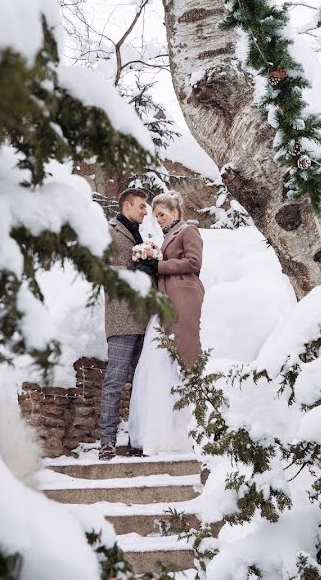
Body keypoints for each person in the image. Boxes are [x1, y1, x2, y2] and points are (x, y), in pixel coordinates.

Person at [127, 191, 204, 456]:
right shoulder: (168, 235)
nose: (158, 219)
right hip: (166, 301)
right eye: (155, 215)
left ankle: (183, 429)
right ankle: (162, 431)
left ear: (175, 212)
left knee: (180, 355)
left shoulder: (188, 231)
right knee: (158, 359)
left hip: (183, 298)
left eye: (162, 214)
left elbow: (194, 262)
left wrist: (159, 264)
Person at [100, 188, 151, 461]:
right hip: (120, 319)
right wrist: (133, 271)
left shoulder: (141, 235)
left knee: (142, 384)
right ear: (127, 205)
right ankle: (107, 442)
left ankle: (137, 441)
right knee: (115, 382)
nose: (146, 211)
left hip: (144, 319)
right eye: (142, 206)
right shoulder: (109, 232)